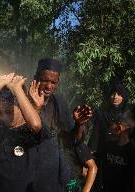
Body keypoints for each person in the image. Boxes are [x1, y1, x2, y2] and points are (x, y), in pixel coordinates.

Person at [0, 73, 46, 192]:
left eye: (9, 111)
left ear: (21, 105)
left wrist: (17, 89)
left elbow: (36, 124)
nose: (4, 117)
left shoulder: (30, 130)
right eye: (1, 113)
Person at [31, 58, 93, 192]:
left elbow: (70, 140)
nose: (49, 86)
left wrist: (79, 124)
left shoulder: (59, 102)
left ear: (58, 82)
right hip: (31, 173)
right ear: (36, 78)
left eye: (53, 82)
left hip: (55, 173)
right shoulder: (25, 101)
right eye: (45, 80)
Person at [88, 82, 131, 191]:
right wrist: (88, 156)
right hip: (103, 160)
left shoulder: (129, 116)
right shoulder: (101, 114)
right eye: (113, 93)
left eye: (119, 94)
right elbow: (95, 136)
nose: (115, 97)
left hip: (123, 161)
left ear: (124, 96)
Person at [102, 110, 135, 192]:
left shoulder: (133, 152)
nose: (108, 128)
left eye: (110, 125)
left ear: (119, 128)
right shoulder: (108, 146)